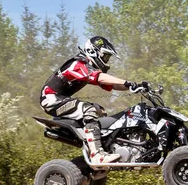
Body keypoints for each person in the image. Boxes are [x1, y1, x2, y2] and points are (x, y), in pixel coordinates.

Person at [39, 36, 147, 165]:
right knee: (89, 110)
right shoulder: (77, 64)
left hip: (60, 99)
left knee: (100, 111)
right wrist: (127, 83)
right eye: (105, 56)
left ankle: (105, 148)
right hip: (50, 99)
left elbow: (111, 85)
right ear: (93, 51)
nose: (106, 60)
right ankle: (97, 154)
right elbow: (100, 78)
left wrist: (135, 86)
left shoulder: (88, 67)